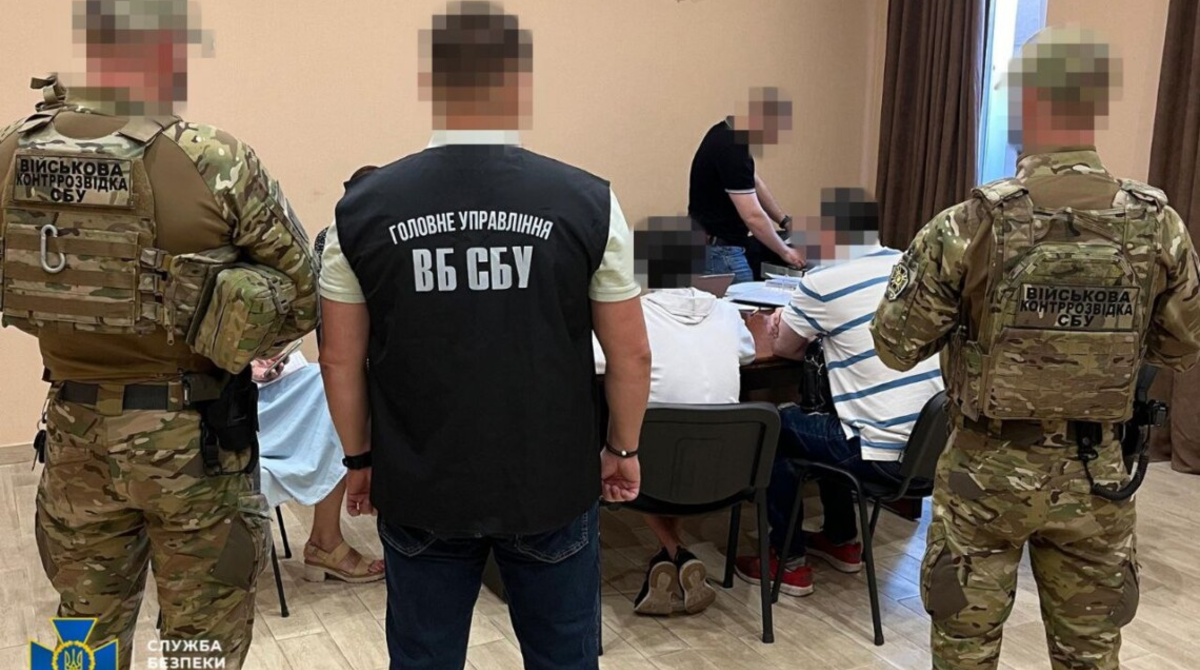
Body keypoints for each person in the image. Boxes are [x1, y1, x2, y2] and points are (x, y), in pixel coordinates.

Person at [318, 3, 650, 669]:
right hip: (550, 483)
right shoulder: (589, 201)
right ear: (519, 83)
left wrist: (359, 459)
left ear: (432, 84)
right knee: (564, 657)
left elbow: (338, 359)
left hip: (421, 484)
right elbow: (632, 354)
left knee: (424, 659)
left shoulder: (361, 211)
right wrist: (623, 447)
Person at [0, 2, 318, 669]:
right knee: (201, 643)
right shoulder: (212, 157)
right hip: (195, 444)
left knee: (82, 631)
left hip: (75, 433)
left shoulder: (10, 152)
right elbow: (302, 297)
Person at [871, 28, 1200, 670]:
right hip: (1096, 476)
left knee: (964, 653)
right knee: (1090, 656)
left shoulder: (968, 224)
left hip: (984, 474)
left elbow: (895, 345)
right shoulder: (1158, 225)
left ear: (1026, 102)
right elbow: (1182, 347)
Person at [734, 188, 943, 597]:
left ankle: (786, 560)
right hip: (933, 450)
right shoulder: (913, 266)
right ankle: (842, 539)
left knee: (777, 424)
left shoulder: (823, 282)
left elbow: (785, 349)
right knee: (830, 418)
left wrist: (784, 322)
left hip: (881, 454)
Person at [592, 216, 756, 616]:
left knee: (621, 442)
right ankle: (671, 556)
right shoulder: (727, 312)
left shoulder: (635, 316)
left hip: (651, 471)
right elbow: (748, 352)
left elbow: (598, 361)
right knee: (670, 445)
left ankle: (673, 550)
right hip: (726, 472)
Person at [252, 348, 384, 583]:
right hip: (208, 399)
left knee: (334, 387)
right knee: (335, 392)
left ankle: (325, 539)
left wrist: (260, 356)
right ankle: (325, 542)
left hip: (244, 381)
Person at [688, 87, 804, 283]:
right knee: (745, 300)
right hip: (721, 253)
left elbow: (753, 182)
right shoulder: (733, 148)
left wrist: (784, 221)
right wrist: (786, 252)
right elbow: (752, 215)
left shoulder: (722, 133)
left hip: (712, 246)